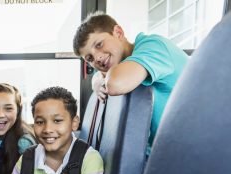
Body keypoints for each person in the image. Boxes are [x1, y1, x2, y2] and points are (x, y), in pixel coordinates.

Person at [73, 11, 189, 152]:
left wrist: (100, 78)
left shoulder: (154, 45)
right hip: (156, 153)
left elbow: (115, 84)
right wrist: (97, 78)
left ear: (118, 32)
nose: (96, 58)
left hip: (186, 153)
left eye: (99, 44)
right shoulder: (123, 64)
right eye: (89, 58)